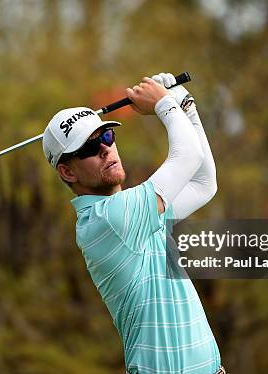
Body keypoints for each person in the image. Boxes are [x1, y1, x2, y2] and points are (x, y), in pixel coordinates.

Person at [42, 73, 224, 374]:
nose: (105, 149)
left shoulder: (138, 213)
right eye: (89, 149)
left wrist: (184, 104)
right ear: (67, 172)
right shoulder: (110, 219)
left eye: (107, 136)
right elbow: (187, 156)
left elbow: (204, 182)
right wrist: (165, 104)